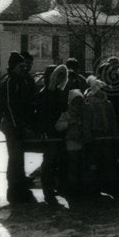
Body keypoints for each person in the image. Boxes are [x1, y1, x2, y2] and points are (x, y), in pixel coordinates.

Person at [0, 51, 37, 204]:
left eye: (25, 66)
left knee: (19, 156)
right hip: (12, 124)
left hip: (19, 123)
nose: (24, 69)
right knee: (15, 157)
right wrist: (17, 126)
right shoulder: (11, 82)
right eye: (20, 66)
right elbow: (10, 106)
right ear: (13, 67)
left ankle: (20, 186)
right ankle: (14, 190)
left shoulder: (22, 80)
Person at [38, 64, 70, 205]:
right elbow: (40, 116)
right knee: (49, 162)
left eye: (62, 77)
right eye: (58, 76)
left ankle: (55, 189)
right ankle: (48, 191)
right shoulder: (44, 94)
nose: (59, 80)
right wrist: (43, 131)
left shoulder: (58, 93)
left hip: (59, 131)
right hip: (50, 132)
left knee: (57, 161)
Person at [83, 76, 118, 196]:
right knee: (93, 161)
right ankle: (93, 187)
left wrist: (114, 134)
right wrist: (87, 136)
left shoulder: (108, 104)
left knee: (108, 161)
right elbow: (87, 122)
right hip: (95, 135)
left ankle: (109, 186)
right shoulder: (89, 104)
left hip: (106, 135)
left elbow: (112, 120)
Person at [55, 81, 86, 199]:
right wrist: (68, 123)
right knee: (72, 168)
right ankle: (72, 189)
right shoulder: (66, 115)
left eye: (80, 104)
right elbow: (58, 126)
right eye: (75, 104)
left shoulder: (83, 115)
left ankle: (80, 188)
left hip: (81, 144)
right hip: (71, 146)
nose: (77, 107)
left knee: (80, 167)